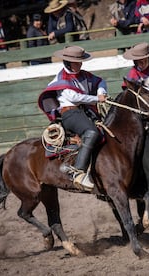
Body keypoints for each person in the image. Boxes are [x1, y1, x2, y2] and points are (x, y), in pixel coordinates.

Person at [40, 45, 108, 191]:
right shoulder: (61, 78)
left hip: (83, 112)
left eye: (81, 61)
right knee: (92, 132)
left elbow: (100, 81)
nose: (81, 64)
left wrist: (101, 91)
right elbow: (74, 97)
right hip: (70, 114)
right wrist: (97, 98)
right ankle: (77, 172)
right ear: (68, 62)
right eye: (77, 62)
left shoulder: (83, 75)